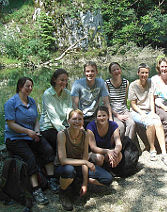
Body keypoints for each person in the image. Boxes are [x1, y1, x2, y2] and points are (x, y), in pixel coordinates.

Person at [4, 77, 58, 206]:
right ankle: (36, 189)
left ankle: (51, 180)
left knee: (47, 149)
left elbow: (36, 120)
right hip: (15, 138)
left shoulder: (32, 101)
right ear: (20, 87)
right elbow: (11, 124)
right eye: (27, 86)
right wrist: (28, 132)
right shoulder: (11, 103)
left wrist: (37, 131)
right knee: (30, 157)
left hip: (31, 135)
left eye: (31, 86)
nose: (30, 89)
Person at [55, 109, 113, 211]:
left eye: (80, 119)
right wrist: (85, 162)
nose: (77, 122)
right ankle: (63, 192)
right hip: (63, 167)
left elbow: (84, 159)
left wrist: (85, 184)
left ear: (83, 121)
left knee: (107, 178)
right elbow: (63, 160)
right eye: (74, 119)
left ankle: (78, 182)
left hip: (79, 166)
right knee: (69, 170)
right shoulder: (62, 134)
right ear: (68, 121)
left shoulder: (85, 135)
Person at [128, 63, 167, 166]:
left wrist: (153, 112)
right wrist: (142, 113)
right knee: (149, 123)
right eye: (142, 73)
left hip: (148, 110)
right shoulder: (133, 85)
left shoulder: (150, 82)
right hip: (137, 111)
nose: (144, 75)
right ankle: (152, 149)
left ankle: (164, 152)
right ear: (138, 73)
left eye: (146, 73)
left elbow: (152, 99)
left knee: (157, 122)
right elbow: (133, 104)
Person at [71, 61, 112, 127]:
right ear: (84, 73)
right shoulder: (77, 84)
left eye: (92, 71)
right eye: (87, 71)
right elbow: (74, 105)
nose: (90, 74)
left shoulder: (100, 82)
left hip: (95, 115)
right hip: (81, 115)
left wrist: (110, 119)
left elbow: (106, 102)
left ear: (96, 72)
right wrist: (79, 121)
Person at [40, 69, 73, 151]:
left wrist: (73, 125)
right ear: (54, 80)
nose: (64, 83)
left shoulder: (67, 93)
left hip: (63, 125)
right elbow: (53, 118)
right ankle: (62, 161)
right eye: (62, 80)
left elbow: (69, 110)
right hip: (48, 127)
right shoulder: (47, 94)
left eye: (66, 80)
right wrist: (66, 132)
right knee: (65, 142)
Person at [105, 62, 135, 139]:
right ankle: (119, 146)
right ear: (110, 73)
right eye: (113, 70)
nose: (116, 71)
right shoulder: (107, 84)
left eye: (118, 69)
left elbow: (125, 101)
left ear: (120, 70)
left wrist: (126, 112)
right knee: (120, 126)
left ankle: (128, 145)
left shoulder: (126, 82)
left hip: (123, 109)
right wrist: (117, 115)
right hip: (113, 111)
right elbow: (107, 103)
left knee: (132, 123)